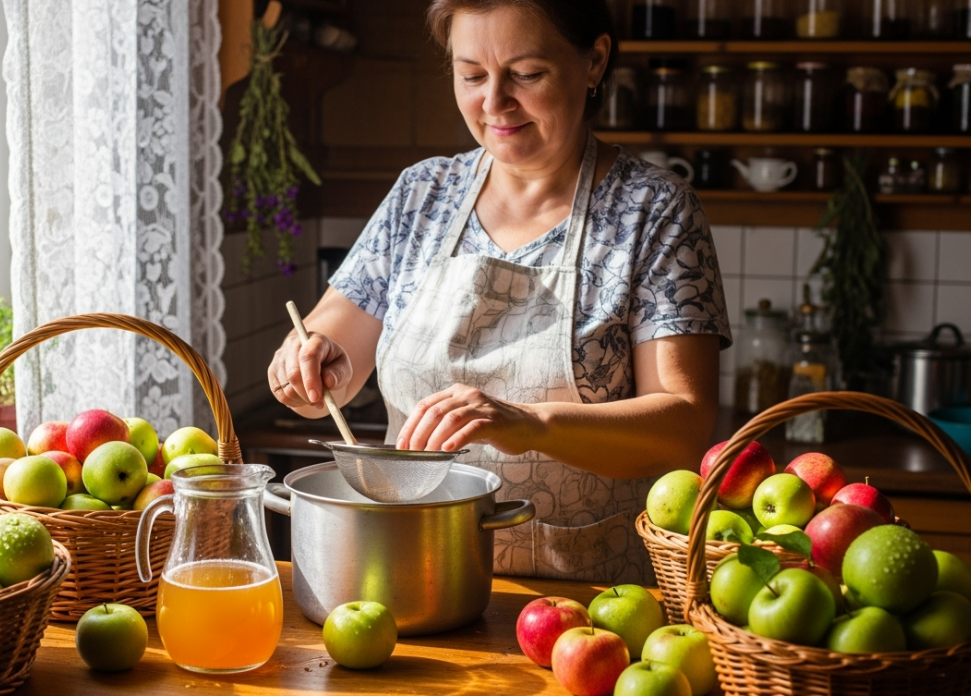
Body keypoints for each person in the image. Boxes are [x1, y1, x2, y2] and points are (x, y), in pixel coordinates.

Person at [268, 0, 730, 584]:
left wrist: (530, 424)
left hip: (592, 600)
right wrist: (304, 368)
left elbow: (683, 426)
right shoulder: (420, 195)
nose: (494, 103)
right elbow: (330, 359)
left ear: (594, 61)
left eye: (527, 74)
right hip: (413, 581)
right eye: (472, 75)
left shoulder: (656, 212)